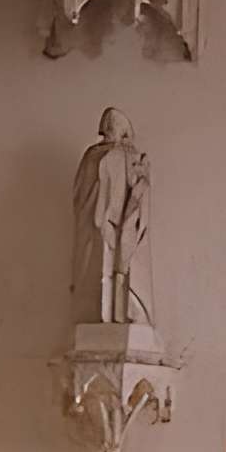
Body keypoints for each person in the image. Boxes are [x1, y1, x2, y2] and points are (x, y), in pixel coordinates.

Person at [71, 106, 153, 327]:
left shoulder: (112, 157)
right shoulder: (106, 157)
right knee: (100, 276)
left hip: (109, 233)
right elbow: (83, 199)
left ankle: (117, 310)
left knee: (110, 275)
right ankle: (107, 311)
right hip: (100, 235)